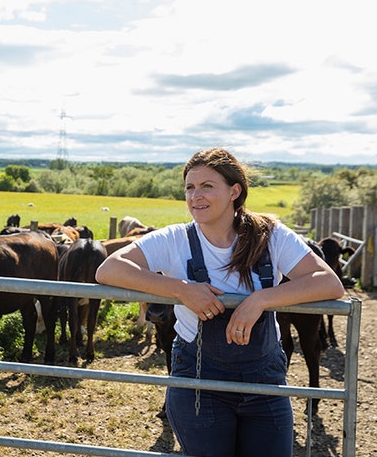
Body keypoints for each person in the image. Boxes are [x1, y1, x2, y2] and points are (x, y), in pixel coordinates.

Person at [95, 148, 344, 457]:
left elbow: (330, 283)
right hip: (198, 379)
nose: (195, 196)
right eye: (189, 187)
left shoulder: (271, 236)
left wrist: (261, 299)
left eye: (207, 186)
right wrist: (182, 289)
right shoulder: (174, 239)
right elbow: (109, 269)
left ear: (234, 191)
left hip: (265, 379)